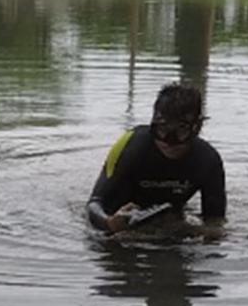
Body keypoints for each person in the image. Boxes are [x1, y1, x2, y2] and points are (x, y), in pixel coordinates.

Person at [87, 83, 226, 234]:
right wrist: (108, 223)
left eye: (181, 129)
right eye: (162, 129)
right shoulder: (130, 147)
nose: (169, 141)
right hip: (121, 219)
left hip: (172, 223)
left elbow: (215, 221)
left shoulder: (208, 160)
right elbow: (95, 203)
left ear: (197, 127)